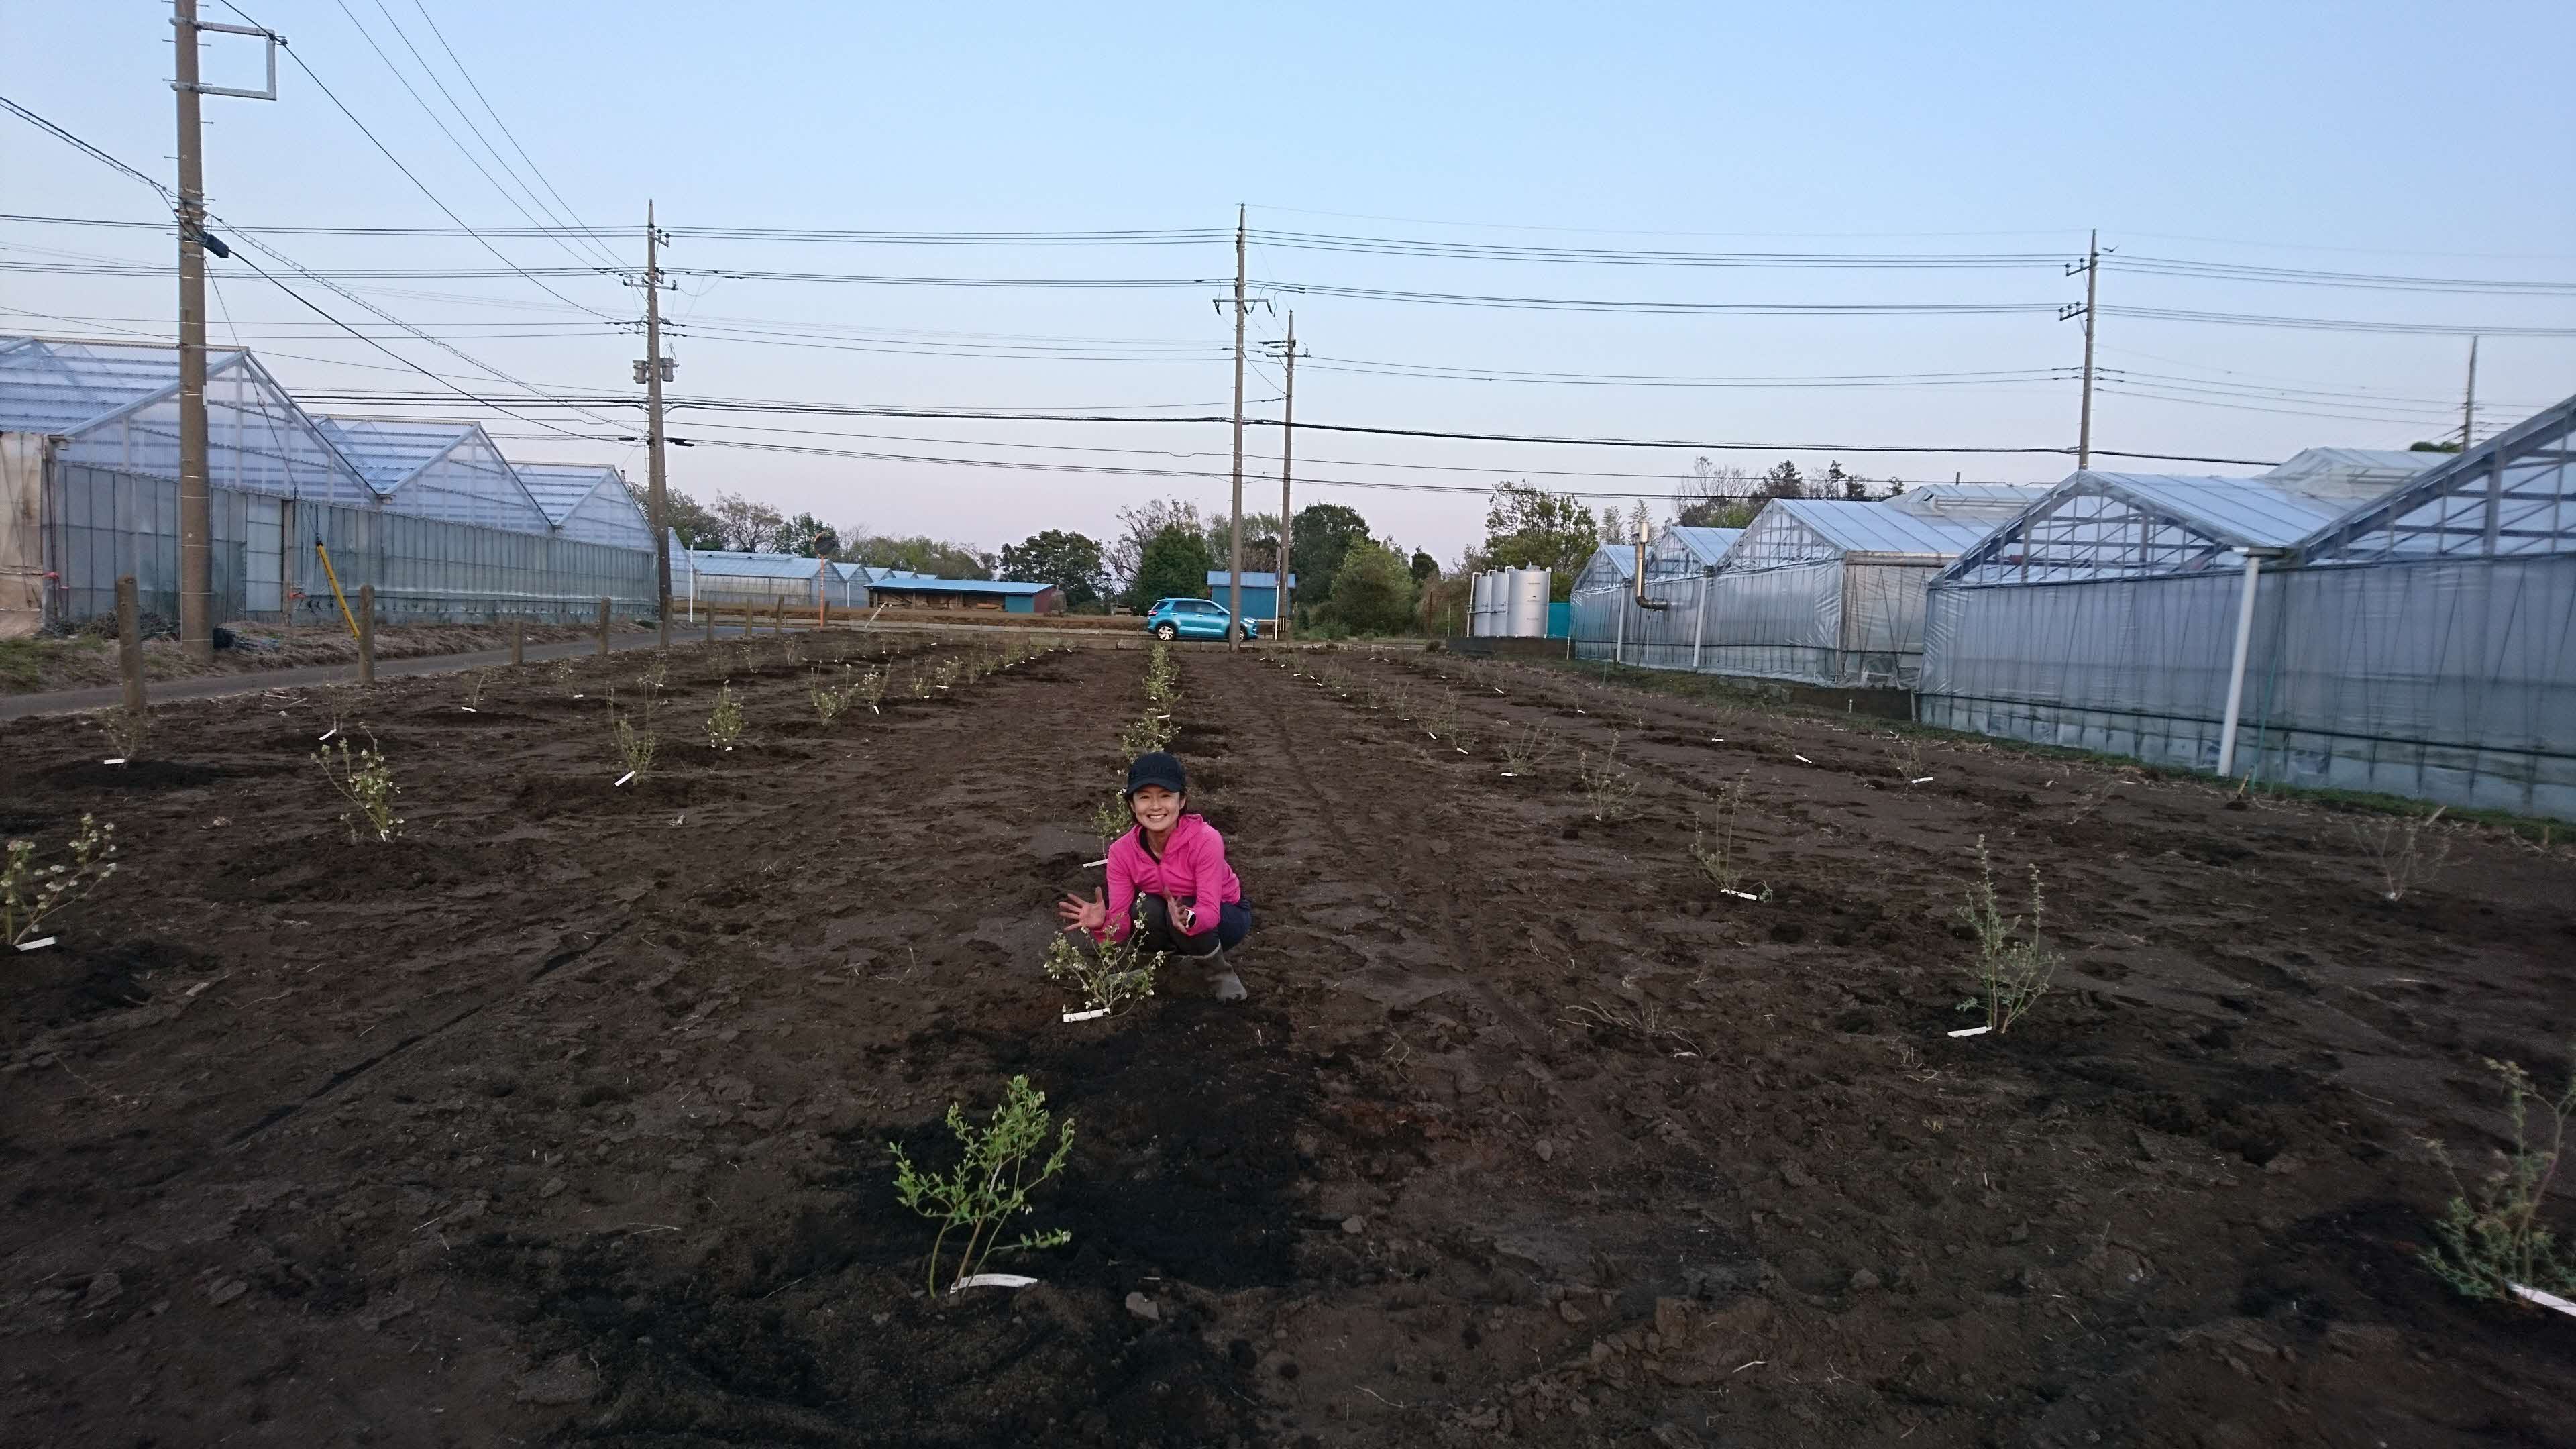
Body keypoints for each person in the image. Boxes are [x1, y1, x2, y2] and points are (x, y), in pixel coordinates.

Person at [1057, 751, 1252, 1001]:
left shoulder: (1206, 840)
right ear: (1132, 804)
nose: (1156, 806)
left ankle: (1220, 975)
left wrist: (1189, 918)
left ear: (1181, 801)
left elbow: (1210, 911)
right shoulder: (1122, 852)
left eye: (1165, 796)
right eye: (1145, 797)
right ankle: (1156, 971)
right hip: (1173, 912)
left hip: (1227, 915)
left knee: (1183, 912)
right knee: (1143, 908)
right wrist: (1104, 924)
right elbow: (1123, 922)